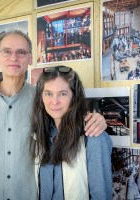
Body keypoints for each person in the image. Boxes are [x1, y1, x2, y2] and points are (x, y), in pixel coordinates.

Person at [0, 30, 107, 200]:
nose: (14, 57)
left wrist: (97, 118)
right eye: (7, 51)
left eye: (21, 52)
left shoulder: (42, 98)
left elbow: (65, 118)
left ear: (30, 58)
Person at [29, 65, 113, 199]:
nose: (54, 101)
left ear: (74, 97)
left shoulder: (93, 137)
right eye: (48, 93)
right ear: (41, 97)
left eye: (62, 93)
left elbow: (101, 196)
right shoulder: (37, 136)